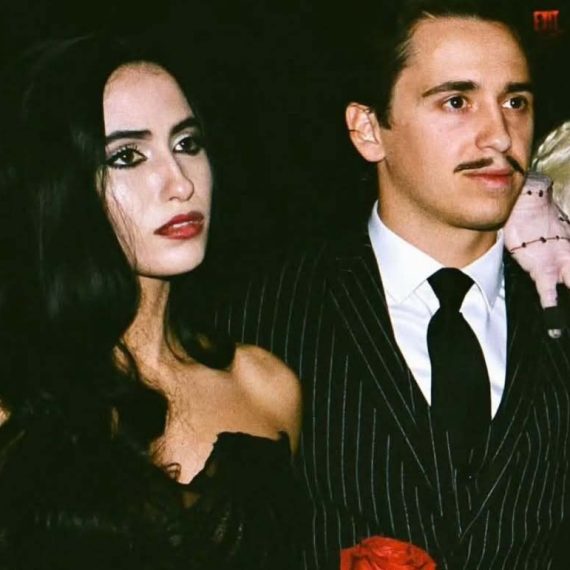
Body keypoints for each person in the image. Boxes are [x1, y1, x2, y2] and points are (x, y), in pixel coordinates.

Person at [216, 1, 570, 568]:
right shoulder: (265, 314)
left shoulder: (557, 293)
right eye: (457, 101)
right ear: (368, 130)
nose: (501, 137)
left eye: (515, 102)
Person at [0, 35, 303, 569]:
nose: (180, 183)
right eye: (127, 156)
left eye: (187, 143)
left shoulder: (266, 386)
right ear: (62, 186)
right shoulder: (15, 402)